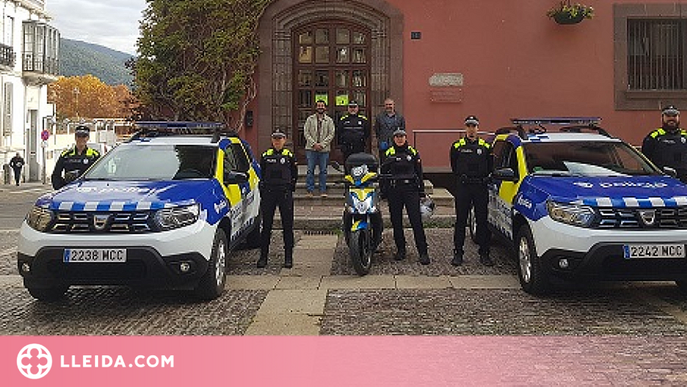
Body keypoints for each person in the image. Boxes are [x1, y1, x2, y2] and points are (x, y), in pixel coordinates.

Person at [381, 128, 430, 265]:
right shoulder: (389, 152)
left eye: (402, 136)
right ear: (394, 138)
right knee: (396, 222)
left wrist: (421, 191)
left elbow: (419, 173)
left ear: (405, 138)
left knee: (416, 221)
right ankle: (401, 249)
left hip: (410, 190)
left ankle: (423, 252)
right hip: (394, 190)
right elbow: (383, 172)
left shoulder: (413, 152)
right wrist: (383, 191)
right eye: (397, 136)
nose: (399, 139)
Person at [450, 115, 493, 266]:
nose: (471, 129)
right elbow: (454, 166)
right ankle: (458, 253)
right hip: (464, 187)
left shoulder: (486, 147)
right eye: (468, 126)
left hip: (480, 187)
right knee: (461, 221)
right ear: (465, 128)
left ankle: (484, 253)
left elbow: (490, 166)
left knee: (482, 221)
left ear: (478, 128)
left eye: (474, 126)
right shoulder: (457, 146)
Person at [257, 128, 298, 269]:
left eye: (280, 139)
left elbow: (294, 173)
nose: (277, 142)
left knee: (287, 226)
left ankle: (288, 257)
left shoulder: (289, 156)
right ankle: (263, 257)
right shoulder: (265, 155)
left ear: (284, 140)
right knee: (266, 226)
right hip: (269, 193)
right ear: (272, 140)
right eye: (275, 139)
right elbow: (261, 172)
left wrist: (291, 186)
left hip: (284, 193)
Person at [642, 105, 687, 183]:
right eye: (668, 116)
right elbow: (645, 159)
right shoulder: (654, 137)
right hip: (661, 180)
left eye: (674, 116)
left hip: (684, 180)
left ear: (678, 117)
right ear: (662, 118)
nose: (671, 118)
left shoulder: (685, 135)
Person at [51, 125, 101, 189]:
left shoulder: (94, 155)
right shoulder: (66, 155)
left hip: (88, 190)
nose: (81, 139)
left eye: (84, 136)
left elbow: (100, 174)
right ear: (75, 137)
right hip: (70, 190)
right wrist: (61, 188)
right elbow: (56, 175)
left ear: (88, 138)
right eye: (78, 136)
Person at [303, 99, 335, 197]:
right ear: (316, 107)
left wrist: (322, 144)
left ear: (325, 108)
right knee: (310, 170)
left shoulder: (329, 120)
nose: (320, 107)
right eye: (319, 105)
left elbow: (331, 134)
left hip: (324, 150)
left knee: (323, 171)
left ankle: (323, 191)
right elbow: (306, 133)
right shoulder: (310, 119)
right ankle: (310, 190)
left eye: (322, 105)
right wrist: (314, 144)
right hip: (311, 149)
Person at [374, 98, 406, 162]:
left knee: (396, 161)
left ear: (394, 105)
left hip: (396, 144)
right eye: (386, 105)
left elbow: (402, 130)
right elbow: (377, 130)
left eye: (390, 104)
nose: (388, 106)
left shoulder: (400, 117)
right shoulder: (379, 117)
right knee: (383, 161)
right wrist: (380, 139)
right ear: (384, 106)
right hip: (383, 143)